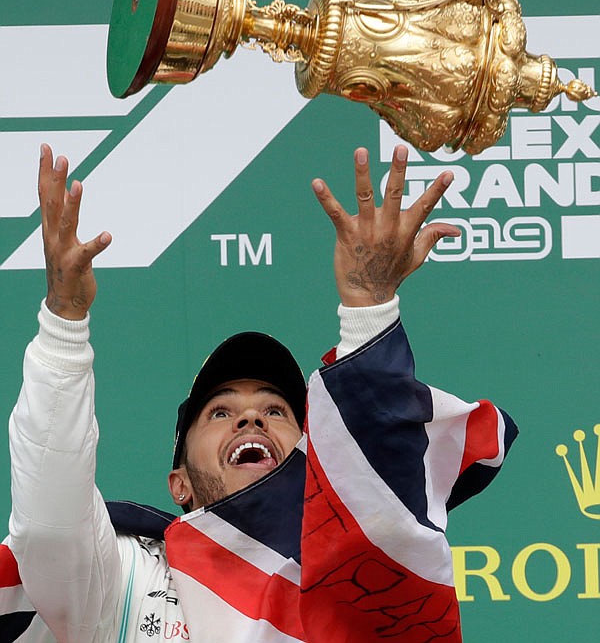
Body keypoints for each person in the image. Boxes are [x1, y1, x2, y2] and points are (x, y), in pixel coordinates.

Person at [1, 143, 517, 642]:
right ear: (179, 483)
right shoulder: (124, 575)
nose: (251, 418)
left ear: (311, 459)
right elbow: (50, 526)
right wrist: (64, 324)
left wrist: (369, 305)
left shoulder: (353, 578)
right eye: (221, 411)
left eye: (275, 408)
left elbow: (377, 494)